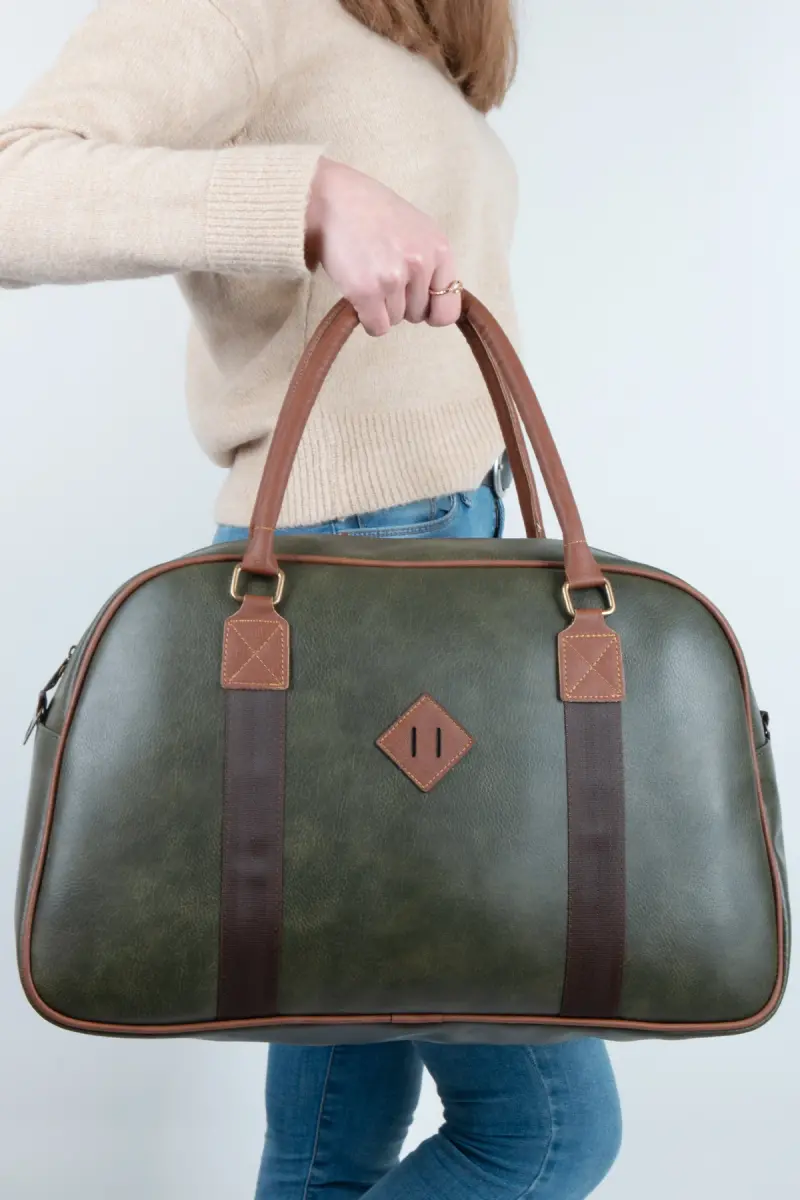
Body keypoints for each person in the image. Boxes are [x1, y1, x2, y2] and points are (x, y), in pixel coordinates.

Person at [0, 2, 622, 1196]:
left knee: (332, 1141)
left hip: (443, 556)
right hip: (343, 586)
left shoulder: (402, 37)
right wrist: (310, 195)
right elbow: (17, 184)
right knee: (544, 1135)